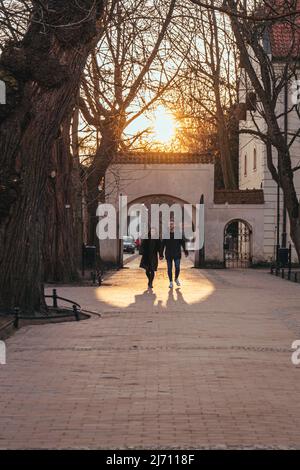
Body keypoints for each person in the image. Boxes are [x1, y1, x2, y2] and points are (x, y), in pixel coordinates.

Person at [160, 221, 188, 288]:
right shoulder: (166, 235)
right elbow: (162, 245)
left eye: (172, 224)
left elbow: (183, 243)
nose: (171, 225)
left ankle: (176, 278)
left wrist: (185, 251)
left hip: (177, 254)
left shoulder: (178, 234)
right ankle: (171, 282)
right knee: (169, 268)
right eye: (170, 224)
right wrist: (161, 254)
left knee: (177, 267)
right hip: (168, 254)